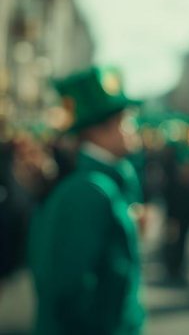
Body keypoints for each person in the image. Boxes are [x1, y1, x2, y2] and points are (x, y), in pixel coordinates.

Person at [27, 66, 144, 335]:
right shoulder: (90, 191)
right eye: (125, 121)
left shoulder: (101, 184)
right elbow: (70, 288)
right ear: (99, 131)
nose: (132, 129)